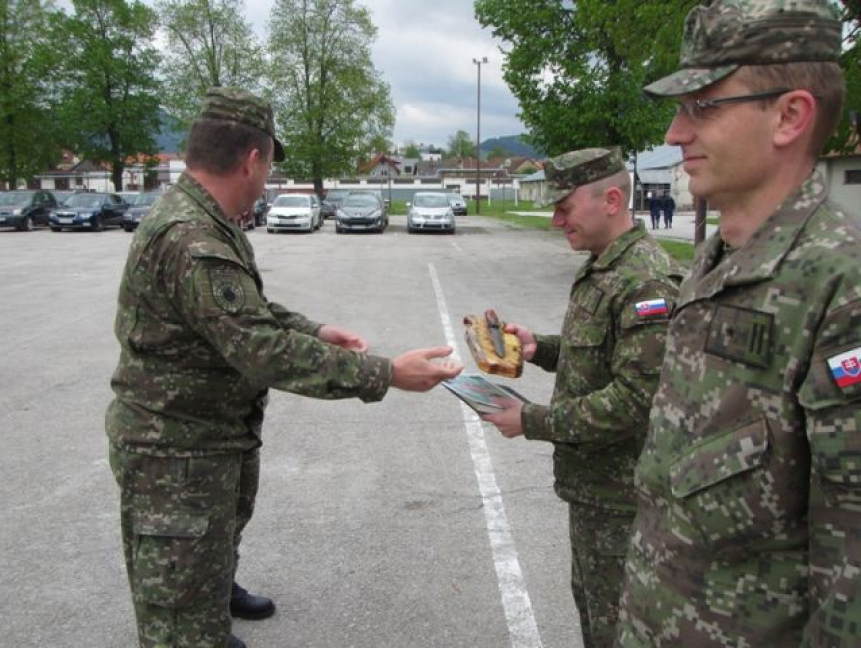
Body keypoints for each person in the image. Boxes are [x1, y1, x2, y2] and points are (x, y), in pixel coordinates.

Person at [105, 87, 462, 648]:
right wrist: (387, 373)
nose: (268, 176)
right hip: (175, 447)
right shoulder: (193, 238)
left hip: (209, 434)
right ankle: (194, 624)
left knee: (214, 539)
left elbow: (242, 310)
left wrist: (312, 329)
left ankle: (211, 597)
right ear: (253, 159)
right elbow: (261, 349)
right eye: (270, 164)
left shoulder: (207, 219)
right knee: (179, 606)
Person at [615, 1, 861, 646]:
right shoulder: (716, 257)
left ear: (790, 116)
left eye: (703, 106)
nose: (675, 133)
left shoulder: (841, 288)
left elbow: (851, 571)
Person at [482, 148, 683, 648]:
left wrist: (531, 419)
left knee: (619, 630)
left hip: (624, 502)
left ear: (610, 200)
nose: (556, 221)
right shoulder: (604, 267)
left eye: (564, 207)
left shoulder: (646, 281)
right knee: (596, 617)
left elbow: (636, 399)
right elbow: (601, 357)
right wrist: (540, 348)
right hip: (596, 492)